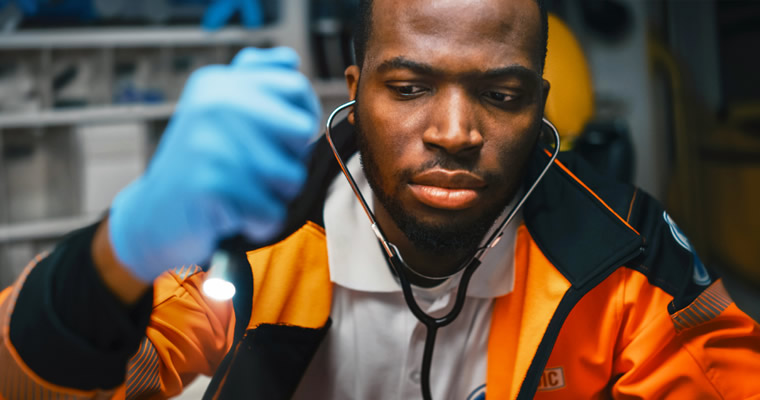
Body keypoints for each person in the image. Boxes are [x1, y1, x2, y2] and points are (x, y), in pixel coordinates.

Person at [1, 0, 759, 398]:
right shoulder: (258, 242)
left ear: (540, 107)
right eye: (409, 87)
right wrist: (117, 252)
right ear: (356, 96)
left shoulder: (626, 257)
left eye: (500, 94)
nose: (457, 132)